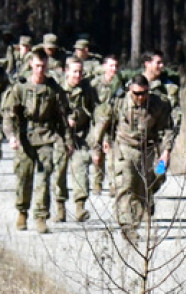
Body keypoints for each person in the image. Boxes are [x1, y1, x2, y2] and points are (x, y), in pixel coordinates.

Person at [90, 74, 175, 241]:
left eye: (144, 93)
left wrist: (166, 152)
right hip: (124, 149)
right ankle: (128, 227)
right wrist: (98, 147)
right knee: (126, 186)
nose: (141, 97)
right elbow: (103, 123)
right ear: (130, 90)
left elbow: (166, 129)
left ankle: (143, 207)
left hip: (148, 150)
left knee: (151, 181)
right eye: (136, 93)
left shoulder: (158, 104)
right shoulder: (119, 102)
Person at [1, 48, 69, 233]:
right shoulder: (20, 87)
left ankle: (41, 216)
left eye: (43, 66)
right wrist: (11, 136)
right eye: (37, 66)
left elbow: (62, 117)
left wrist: (67, 141)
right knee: (24, 177)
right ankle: (22, 211)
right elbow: (8, 114)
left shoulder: (53, 89)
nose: (40, 70)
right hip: (24, 138)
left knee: (44, 177)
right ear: (31, 64)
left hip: (45, 136)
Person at [60, 56, 99, 221]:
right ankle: (59, 206)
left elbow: (96, 111)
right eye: (74, 71)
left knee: (81, 167)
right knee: (58, 172)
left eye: (80, 72)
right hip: (59, 136)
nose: (78, 75)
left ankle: (80, 206)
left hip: (81, 135)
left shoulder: (88, 90)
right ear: (67, 71)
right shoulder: (58, 90)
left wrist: (96, 136)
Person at [90, 55, 122, 194]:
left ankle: (113, 184)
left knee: (111, 155)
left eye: (116, 66)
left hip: (113, 123)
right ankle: (97, 181)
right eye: (111, 66)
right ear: (104, 67)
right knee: (98, 155)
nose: (113, 69)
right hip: (98, 123)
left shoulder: (119, 84)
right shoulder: (96, 84)